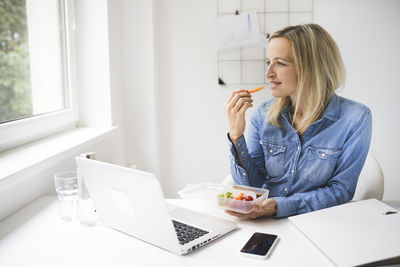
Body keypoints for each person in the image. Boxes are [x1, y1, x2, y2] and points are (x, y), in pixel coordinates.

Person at [224, 24, 372, 219]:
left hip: (318, 224)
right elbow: (251, 187)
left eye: (280, 63)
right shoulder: (263, 114)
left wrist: (278, 206)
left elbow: (340, 191)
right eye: (268, 62)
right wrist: (236, 135)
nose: (268, 73)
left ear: (312, 67)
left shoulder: (356, 119)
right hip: (265, 222)